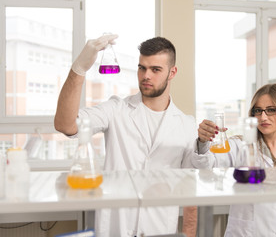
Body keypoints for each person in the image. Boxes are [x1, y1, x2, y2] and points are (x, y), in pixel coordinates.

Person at [54, 35, 197, 237]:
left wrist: (189, 234)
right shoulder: (116, 110)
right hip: (115, 228)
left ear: (172, 72)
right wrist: (79, 69)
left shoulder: (186, 124)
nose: (146, 75)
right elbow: (65, 124)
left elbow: (190, 188)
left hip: (160, 228)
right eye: (142, 68)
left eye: (156, 69)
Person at [192, 83, 276, 236]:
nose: (263, 117)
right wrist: (203, 141)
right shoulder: (240, 146)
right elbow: (206, 166)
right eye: (258, 111)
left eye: (271, 110)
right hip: (246, 232)